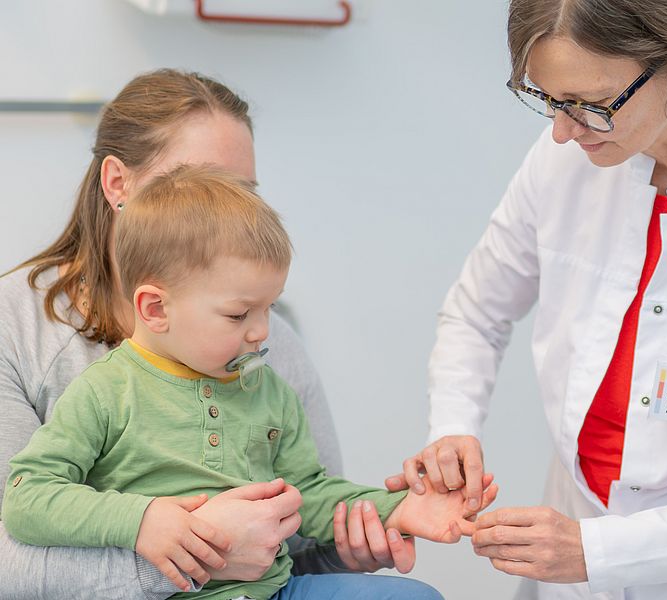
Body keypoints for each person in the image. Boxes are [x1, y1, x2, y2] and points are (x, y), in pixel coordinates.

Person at [386, 0, 667, 598]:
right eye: (549, 100)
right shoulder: (565, 159)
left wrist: (597, 550)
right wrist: (453, 427)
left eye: (591, 106)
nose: (564, 131)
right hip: (567, 557)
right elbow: (477, 312)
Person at [0, 68, 415, 600]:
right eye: (197, 184)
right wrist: (201, 554)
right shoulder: (19, 334)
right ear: (117, 183)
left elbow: (302, 515)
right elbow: (11, 553)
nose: (226, 211)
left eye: (242, 193)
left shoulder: (268, 342)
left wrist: (357, 540)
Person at [3, 166, 497, 600]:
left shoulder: (269, 392)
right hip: (161, 596)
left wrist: (403, 508)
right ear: (155, 309)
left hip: (273, 591)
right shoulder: (103, 393)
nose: (261, 331)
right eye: (239, 314)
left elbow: (307, 493)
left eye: (269, 308)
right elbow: (27, 496)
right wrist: (141, 521)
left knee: (414, 597)